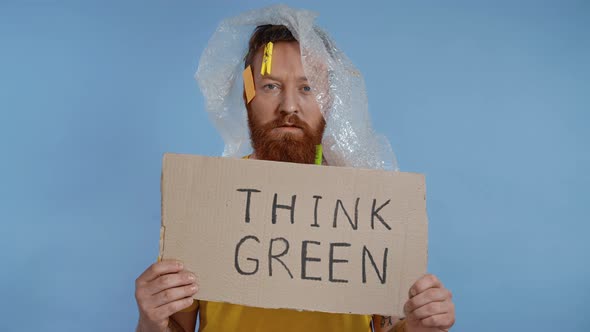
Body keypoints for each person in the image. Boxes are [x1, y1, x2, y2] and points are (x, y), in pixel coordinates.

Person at [135, 5, 455, 332]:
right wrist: (150, 321)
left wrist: (420, 325)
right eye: (270, 86)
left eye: (308, 87)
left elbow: (391, 327)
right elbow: (175, 325)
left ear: (329, 98)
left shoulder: (368, 209)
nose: (289, 106)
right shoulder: (205, 199)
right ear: (247, 96)